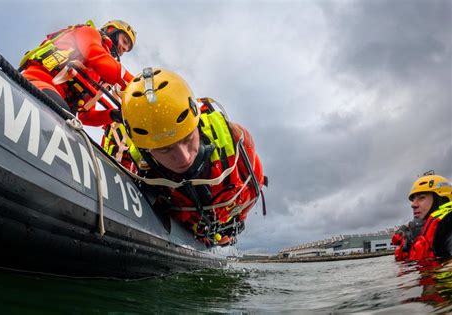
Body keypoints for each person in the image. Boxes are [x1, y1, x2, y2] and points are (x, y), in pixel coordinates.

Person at [120, 68, 267, 246]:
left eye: (188, 138)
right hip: (189, 225)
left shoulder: (237, 140)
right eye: (165, 150)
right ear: (146, 150)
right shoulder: (137, 165)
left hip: (227, 216)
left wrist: (236, 220)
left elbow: (255, 185)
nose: (183, 158)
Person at [19, 19, 136, 126]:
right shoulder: (88, 32)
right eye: (124, 41)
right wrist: (136, 84)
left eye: (127, 49)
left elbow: (85, 116)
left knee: (65, 120)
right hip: (37, 82)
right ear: (111, 31)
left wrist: (112, 115)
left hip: (62, 107)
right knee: (60, 114)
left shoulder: (99, 75)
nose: (124, 49)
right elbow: (96, 55)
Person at [392, 171, 452, 261]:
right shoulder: (418, 231)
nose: (413, 205)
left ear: (441, 199)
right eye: (413, 199)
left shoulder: (449, 227)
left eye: (422, 197)